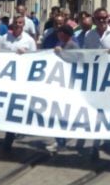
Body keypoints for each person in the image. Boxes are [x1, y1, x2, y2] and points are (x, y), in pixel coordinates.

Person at [82, 8, 110, 160]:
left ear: (108, 18)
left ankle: (106, 136)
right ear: (94, 20)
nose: (102, 20)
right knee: (96, 111)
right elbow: (85, 54)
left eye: (104, 18)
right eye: (99, 18)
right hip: (95, 78)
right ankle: (95, 144)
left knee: (107, 110)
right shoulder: (89, 34)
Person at [0, 15, 37, 151]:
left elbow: (36, 58)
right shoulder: (5, 37)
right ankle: (9, 134)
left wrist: (27, 54)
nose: (18, 25)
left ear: (24, 25)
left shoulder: (29, 40)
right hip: (7, 77)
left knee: (16, 105)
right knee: (7, 106)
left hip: (21, 78)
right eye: (16, 23)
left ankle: (10, 136)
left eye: (20, 23)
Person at [45, 24, 79, 153]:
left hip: (68, 84)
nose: (58, 34)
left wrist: (61, 54)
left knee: (62, 114)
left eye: (60, 32)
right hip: (60, 83)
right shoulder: (61, 43)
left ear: (65, 34)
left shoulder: (72, 45)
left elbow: (75, 61)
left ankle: (61, 142)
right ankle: (59, 141)